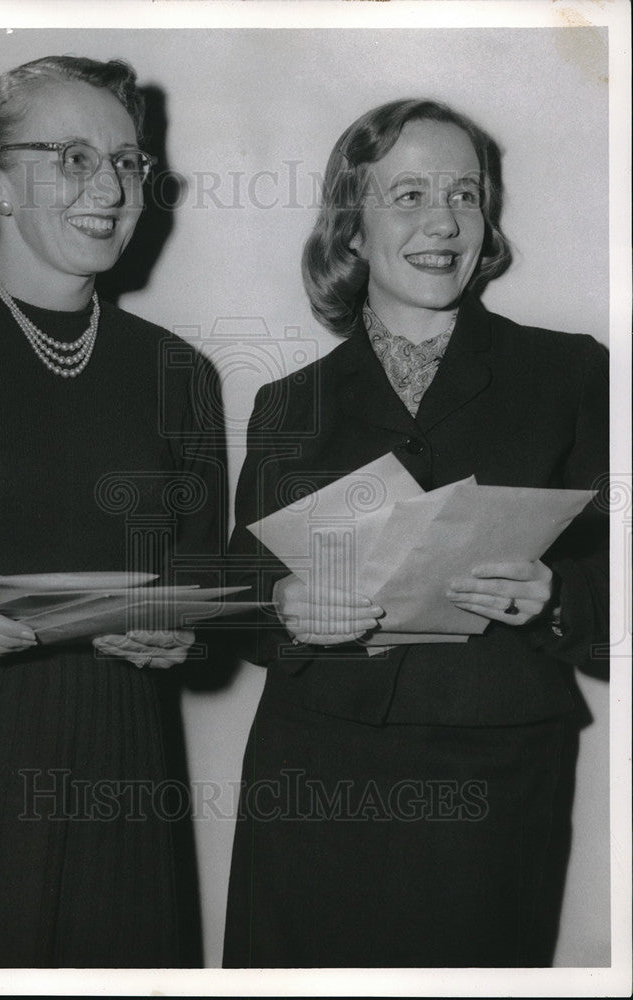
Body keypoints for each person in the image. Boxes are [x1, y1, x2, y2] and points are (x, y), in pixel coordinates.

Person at [222, 99, 608, 968]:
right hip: (311, 777)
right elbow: (235, 598)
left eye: (465, 194)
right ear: (349, 227)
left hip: (493, 782)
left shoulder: (571, 373)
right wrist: (282, 603)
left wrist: (558, 596)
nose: (443, 222)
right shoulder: (287, 404)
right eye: (408, 195)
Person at [0, 55, 226, 968]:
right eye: (73, 156)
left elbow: (201, 578)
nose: (110, 187)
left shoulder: (181, 374)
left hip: (120, 760)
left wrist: (182, 630)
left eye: (126, 161)